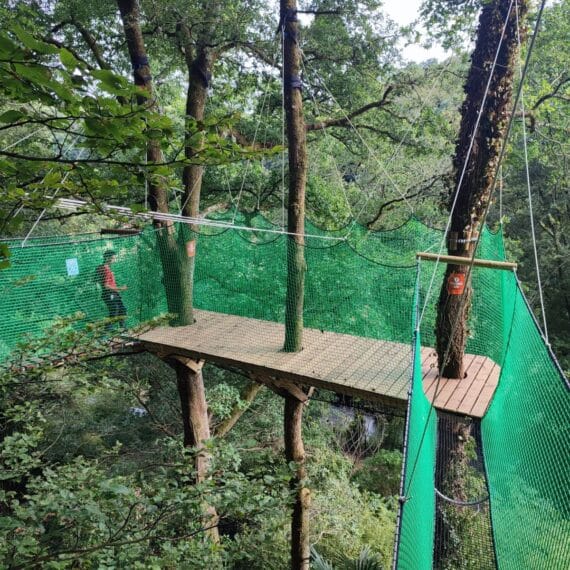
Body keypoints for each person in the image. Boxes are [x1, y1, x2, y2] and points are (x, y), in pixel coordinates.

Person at [96, 250, 127, 327]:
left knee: (122, 309)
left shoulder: (101, 267)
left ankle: (122, 329)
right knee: (115, 311)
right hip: (109, 293)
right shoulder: (105, 269)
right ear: (107, 258)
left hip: (112, 293)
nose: (114, 260)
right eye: (113, 258)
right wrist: (120, 288)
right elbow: (106, 285)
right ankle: (105, 334)